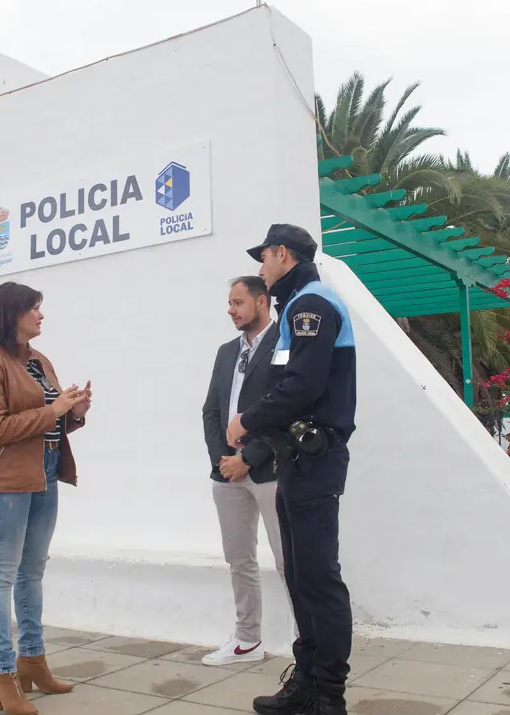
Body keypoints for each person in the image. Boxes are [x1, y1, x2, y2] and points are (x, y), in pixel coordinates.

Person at [227, 224, 357, 715]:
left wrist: (247, 421)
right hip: (297, 460)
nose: (261, 268)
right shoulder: (298, 305)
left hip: (314, 460)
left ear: (283, 254)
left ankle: (328, 695)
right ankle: (307, 682)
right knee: (301, 577)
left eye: (263, 257)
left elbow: (302, 386)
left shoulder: (311, 306)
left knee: (318, 579)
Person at [0, 281, 92, 715]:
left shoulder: (39, 360)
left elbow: (50, 421)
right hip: (6, 480)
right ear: (13, 313)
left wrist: (73, 412)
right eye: (34, 308)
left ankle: (33, 662)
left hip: (46, 472)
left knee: (32, 571)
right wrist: (52, 411)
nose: (41, 315)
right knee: (1, 575)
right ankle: (3, 674)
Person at [200, 275, 288, 666]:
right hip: (227, 473)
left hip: (270, 469)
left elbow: (287, 408)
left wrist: (248, 457)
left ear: (261, 301)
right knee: (239, 559)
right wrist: (223, 460)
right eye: (229, 303)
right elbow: (211, 411)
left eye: (238, 302)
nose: (230, 310)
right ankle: (247, 640)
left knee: (288, 560)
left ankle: (307, 641)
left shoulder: (285, 343)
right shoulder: (225, 352)